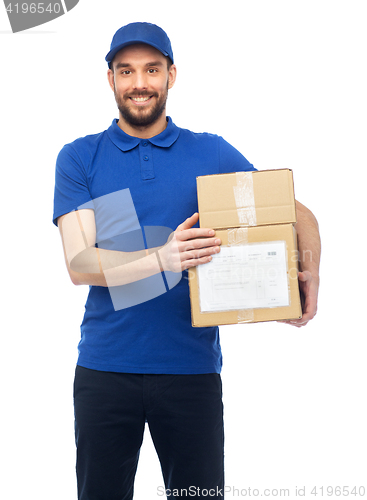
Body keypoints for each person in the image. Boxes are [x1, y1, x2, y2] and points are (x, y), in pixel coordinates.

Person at [53, 22, 321, 500]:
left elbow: (296, 214)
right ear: (110, 79)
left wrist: (305, 279)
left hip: (191, 372)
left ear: (171, 75)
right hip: (105, 372)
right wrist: (163, 257)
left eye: (152, 70)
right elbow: (80, 264)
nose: (140, 83)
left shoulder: (210, 151)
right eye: (126, 71)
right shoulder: (80, 157)